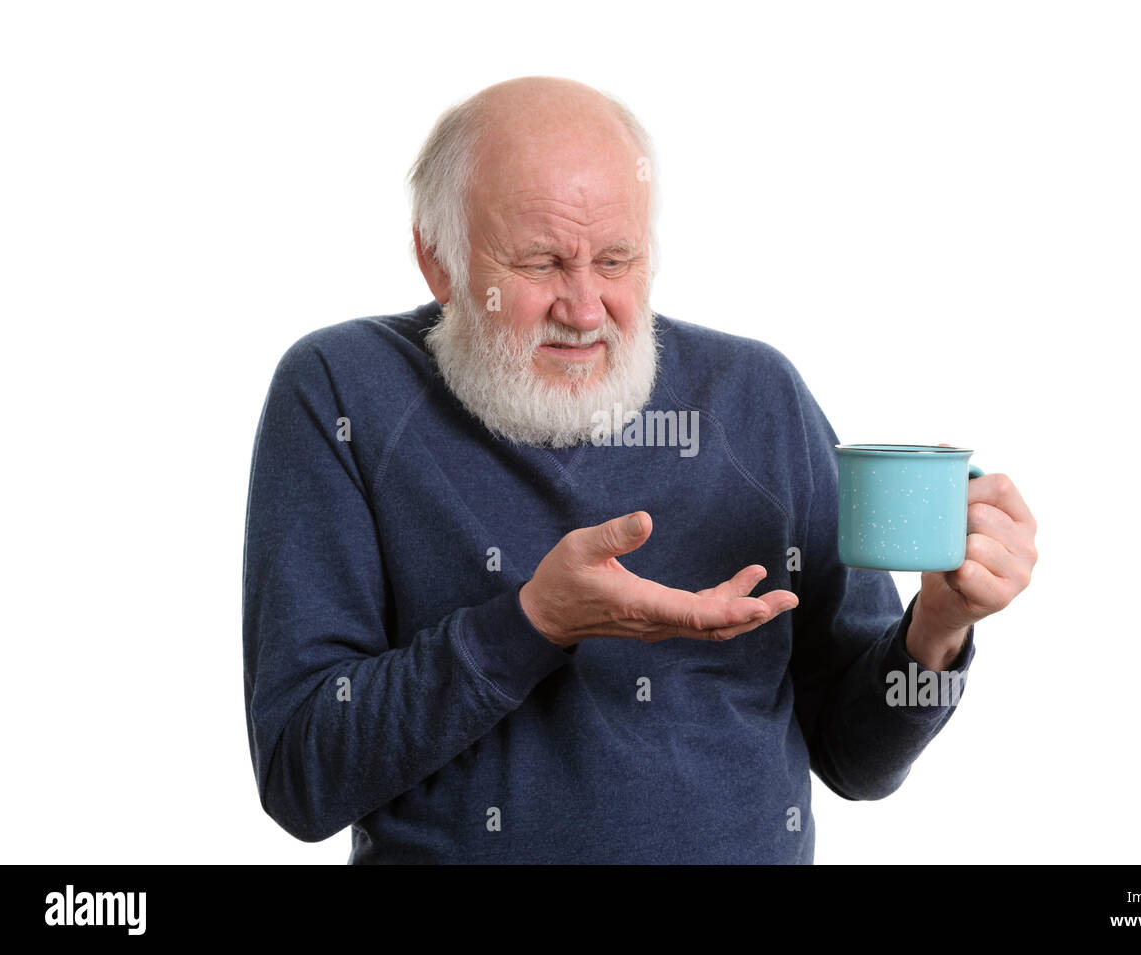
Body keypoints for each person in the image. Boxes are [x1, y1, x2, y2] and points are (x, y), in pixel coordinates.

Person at [241, 76, 1038, 864]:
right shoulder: (341, 389)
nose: (585, 309)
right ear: (437, 259)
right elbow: (300, 777)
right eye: (541, 262)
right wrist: (532, 623)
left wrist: (936, 629)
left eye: (616, 260)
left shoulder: (757, 396)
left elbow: (859, 764)